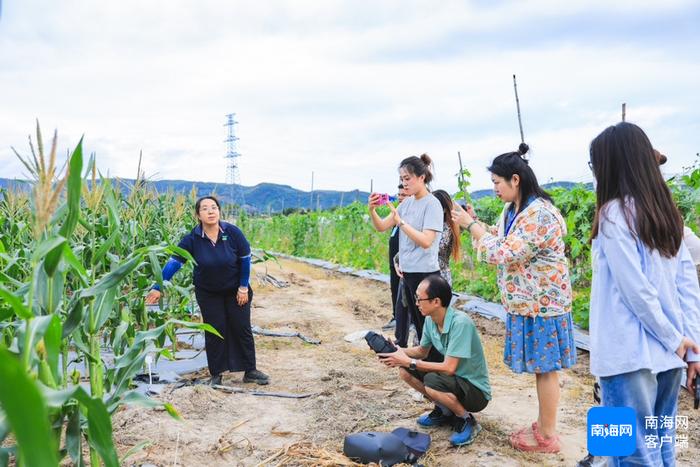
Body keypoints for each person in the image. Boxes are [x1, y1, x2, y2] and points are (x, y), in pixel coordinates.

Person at [588, 122, 700, 466]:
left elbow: (635, 291)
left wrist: (678, 341)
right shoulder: (669, 217)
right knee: (663, 445)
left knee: (626, 453)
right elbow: (687, 287)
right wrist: (689, 346)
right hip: (669, 359)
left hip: (625, 355)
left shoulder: (612, 215)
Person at [451, 143, 575, 453]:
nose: (493, 188)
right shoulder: (514, 210)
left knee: (547, 369)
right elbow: (501, 235)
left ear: (515, 180)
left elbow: (505, 252)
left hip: (544, 306)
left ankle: (547, 437)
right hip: (529, 303)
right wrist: (477, 223)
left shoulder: (540, 214)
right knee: (541, 368)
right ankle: (544, 425)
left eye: (496, 182)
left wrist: (471, 226)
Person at [145, 196, 269, 386]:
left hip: (236, 290)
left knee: (241, 327)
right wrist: (158, 286)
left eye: (214, 207)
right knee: (214, 330)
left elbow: (245, 259)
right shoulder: (192, 239)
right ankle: (217, 373)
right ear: (198, 215)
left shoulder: (232, 232)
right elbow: (175, 262)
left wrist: (243, 287)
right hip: (209, 293)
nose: (211, 211)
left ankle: (250, 370)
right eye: (205, 209)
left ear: (219, 211)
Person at [378, 275, 491, 446]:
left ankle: (467, 420)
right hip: (455, 381)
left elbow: (449, 368)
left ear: (436, 301)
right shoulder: (431, 321)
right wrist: (397, 351)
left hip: (474, 391)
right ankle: (444, 411)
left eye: (419, 298)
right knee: (405, 371)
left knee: (431, 380)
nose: (416, 303)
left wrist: (408, 361)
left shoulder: (461, 323)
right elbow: (422, 351)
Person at [369, 154, 443, 357]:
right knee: (419, 329)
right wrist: (372, 210)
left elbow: (427, 241)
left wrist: (401, 223)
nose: (404, 183)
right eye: (402, 179)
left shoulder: (432, 204)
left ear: (422, 177)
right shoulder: (407, 204)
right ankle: (425, 375)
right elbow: (382, 226)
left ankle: (438, 373)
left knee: (430, 330)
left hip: (426, 275)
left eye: (408, 178)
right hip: (409, 274)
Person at [383, 182, 410, 330]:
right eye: (399, 194)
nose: (400, 197)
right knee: (395, 288)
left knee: (405, 293)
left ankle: (407, 321)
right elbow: (381, 226)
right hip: (394, 261)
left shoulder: (409, 216)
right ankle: (396, 317)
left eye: (403, 195)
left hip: (405, 262)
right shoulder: (396, 213)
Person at [432, 189, 462, 286]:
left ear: (444, 209)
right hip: (431, 276)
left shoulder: (447, 228)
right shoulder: (434, 225)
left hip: (440, 278)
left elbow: (434, 249)